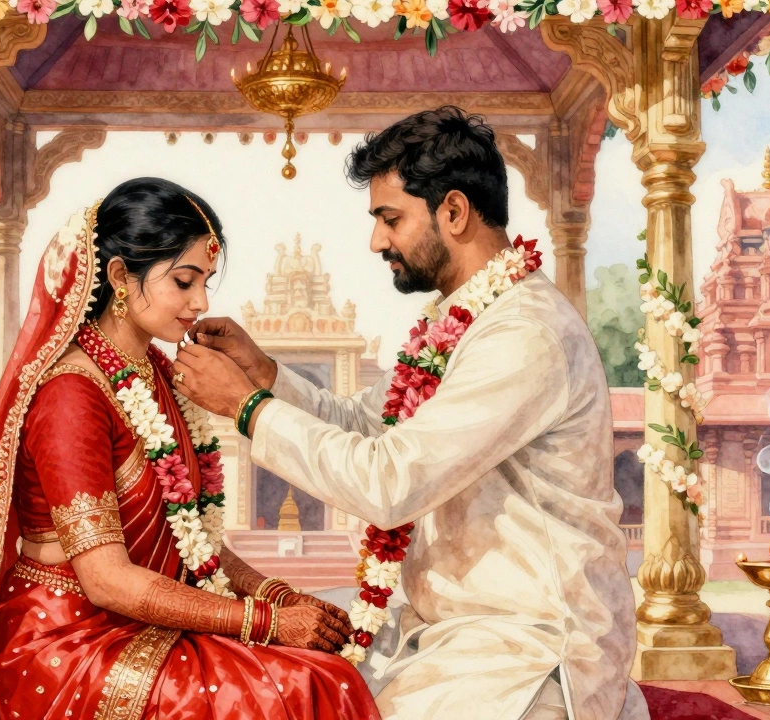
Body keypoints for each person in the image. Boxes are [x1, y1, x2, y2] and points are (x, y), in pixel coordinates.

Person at [0, 178, 380, 720]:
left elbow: (193, 541)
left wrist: (277, 595)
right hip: (66, 639)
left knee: (323, 670)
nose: (201, 300)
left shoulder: (154, 372)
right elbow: (105, 580)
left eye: (206, 281)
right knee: (305, 686)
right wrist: (265, 621)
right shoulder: (72, 394)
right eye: (184, 280)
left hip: (137, 622)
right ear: (122, 277)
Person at [172, 108, 649, 720]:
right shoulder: (461, 322)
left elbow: (390, 480)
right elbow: (368, 425)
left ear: (452, 212)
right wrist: (264, 372)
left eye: (390, 219)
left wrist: (246, 407)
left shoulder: (525, 335)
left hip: (529, 647)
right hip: (446, 628)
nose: (376, 241)